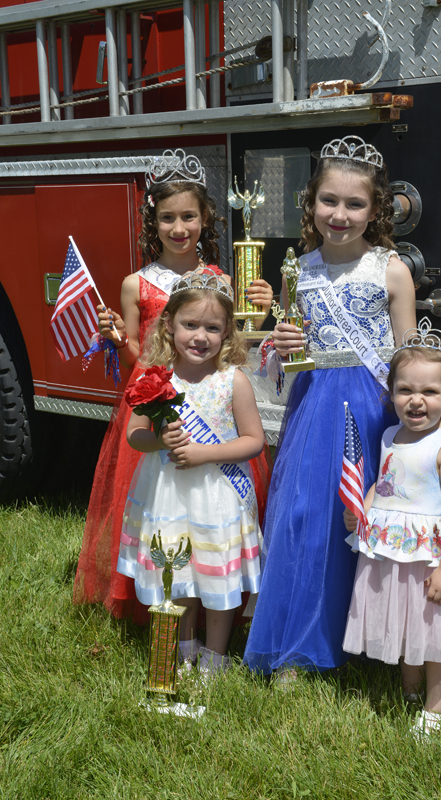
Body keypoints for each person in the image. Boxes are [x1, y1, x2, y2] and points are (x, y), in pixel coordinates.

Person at [243, 135, 417, 678]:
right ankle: (299, 644)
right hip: (314, 405)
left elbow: (409, 356)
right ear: (311, 203)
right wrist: (282, 345)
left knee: (372, 514)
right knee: (307, 517)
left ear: (376, 210)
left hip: (373, 407)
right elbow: (284, 364)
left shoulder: (391, 270)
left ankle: (374, 637)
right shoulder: (297, 270)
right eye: (329, 201)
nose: (340, 215)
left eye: (355, 204)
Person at [73, 150, 272, 623]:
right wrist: (117, 338)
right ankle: (158, 600)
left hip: (213, 412)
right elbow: (137, 358)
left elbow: (234, 343)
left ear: (205, 219)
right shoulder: (136, 283)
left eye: (188, 217)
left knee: (214, 512)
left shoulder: (222, 279)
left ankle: (219, 594)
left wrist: (262, 311)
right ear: (153, 221)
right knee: (159, 508)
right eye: (167, 218)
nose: (179, 228)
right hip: (159, 406)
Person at [118, 270, 265, 674]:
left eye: (213, 328)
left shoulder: (232, 381)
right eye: (190, 325)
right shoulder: (155, 377)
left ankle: (215, 658)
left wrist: (204, 453)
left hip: (218, 496)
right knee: (178, 573)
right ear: (169, 323)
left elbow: (254, 440)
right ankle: (184, 650)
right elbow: (134, 435)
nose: (200, 337)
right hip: (168, 494)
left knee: (217, 575)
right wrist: (160, 440)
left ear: (227, 331)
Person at [342, 326, 441, 736]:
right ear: (391, 393)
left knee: (437, 631)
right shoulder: (390, 435)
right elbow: (383, 482)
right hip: (393, 552)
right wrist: (363, 510)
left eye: (430, 392)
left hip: (431, 556)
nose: (416, 400)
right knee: (406, 622)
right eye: (405, 390)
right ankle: (409, 688)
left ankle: (435, 709)